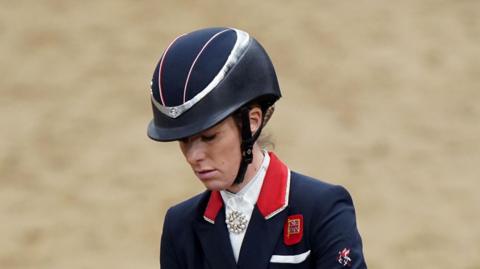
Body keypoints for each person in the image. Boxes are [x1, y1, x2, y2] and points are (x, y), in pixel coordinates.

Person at [147, 27, 367, 269]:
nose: (193, 156)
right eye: (184, 140)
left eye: (209, 137)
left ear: (251, 122)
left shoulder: (322, 209)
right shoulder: (179, 226)